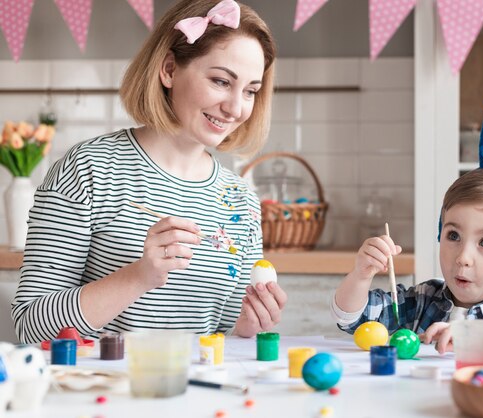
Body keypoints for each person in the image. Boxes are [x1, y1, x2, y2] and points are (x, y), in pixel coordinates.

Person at [12, 0, 287, 344]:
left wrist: (247, 326)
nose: (235, 108)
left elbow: (220, 341)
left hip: (201, 395)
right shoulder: (87, 170)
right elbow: (31, 327)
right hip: (101, 392)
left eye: (250, 91)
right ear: (169, 69)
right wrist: (140, 276)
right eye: (220, 81)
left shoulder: (239, 200)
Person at [331, 87, 483, 354]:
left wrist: (474, 337)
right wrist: (361, 274)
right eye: (453, 236)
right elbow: (350, 319)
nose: (463, 257)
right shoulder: (423, 300)